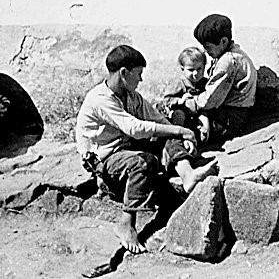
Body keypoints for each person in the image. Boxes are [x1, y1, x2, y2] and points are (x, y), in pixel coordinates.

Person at [75, 45, 218, 253]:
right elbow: (134, 128)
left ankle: (188, 175)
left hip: (128, 147)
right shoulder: (101, 99)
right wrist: (180, 130)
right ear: (124, 73)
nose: (141, 79)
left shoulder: (131, 96)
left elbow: (158, 121)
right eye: (138, 73)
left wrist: (183, 136)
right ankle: (126, 222)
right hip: (106, 159)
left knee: (168, 133)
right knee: (143, 162)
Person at [180, 14, 258, 142]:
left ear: (223, 41)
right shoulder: (234, 54)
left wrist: (191, 103)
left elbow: (211, 99)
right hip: (234, 114)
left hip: (230, 119)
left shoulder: (228, 62)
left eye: (208, 47)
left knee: (181, 123)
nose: (205, 51)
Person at [159, 47, 211, 143]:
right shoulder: (179, 83)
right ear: (182, 69)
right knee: (179, 115)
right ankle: (179, 137)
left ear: (204, 66)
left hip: (198, 112)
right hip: (182, 111)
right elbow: (167, 99)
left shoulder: (205, 83)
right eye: (191, 70)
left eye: (199, 69)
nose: (195, 73)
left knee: (205, 117)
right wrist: (180, 101)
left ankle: (204, 134)